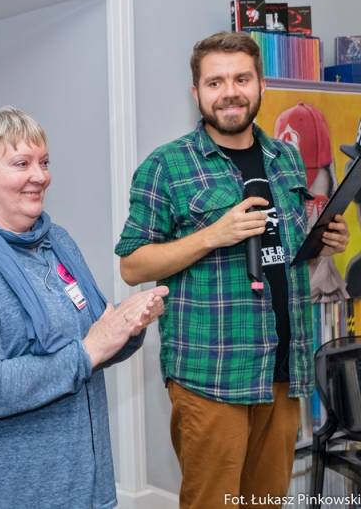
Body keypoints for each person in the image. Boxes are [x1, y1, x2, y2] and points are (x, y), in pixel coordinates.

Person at [115, 32, 349, 509]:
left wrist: (323, 245)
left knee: (266, 501)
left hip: (284, 369)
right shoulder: (166, 166)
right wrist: (212, 235)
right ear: (196, 92)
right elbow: (132, 265)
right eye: (215, 82)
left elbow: (282, 252)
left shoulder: (285, 158)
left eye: (241, 79)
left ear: (260, 84)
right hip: (212, 374)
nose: (230, 92)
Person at [0, 107, 168, 508]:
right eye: (22, 164)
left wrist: (127, 326)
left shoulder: (55, 240)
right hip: (9, 494)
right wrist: (88, 350)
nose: (40, 176)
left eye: (44, 163)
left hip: (83, 483)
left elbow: (95, 338)